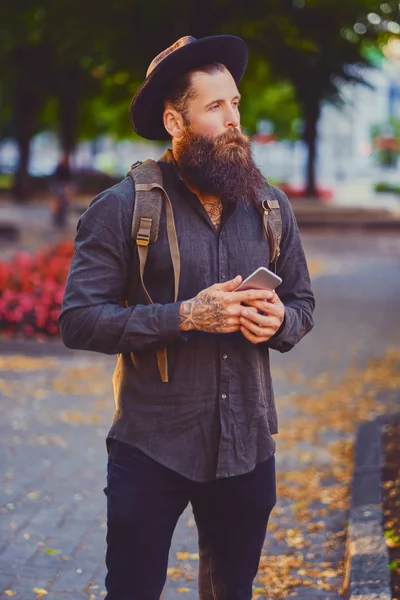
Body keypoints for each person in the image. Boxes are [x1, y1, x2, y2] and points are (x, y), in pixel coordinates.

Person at [59, 35, 315, 600]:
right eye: (215, 107)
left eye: (237, 104)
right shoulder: (122, 208)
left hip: (249, 445)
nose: (234, 121)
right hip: (152, 445)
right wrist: (188, 316)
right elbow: (78, 320)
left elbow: (302, 305)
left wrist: (280, 323)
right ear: (175, 121)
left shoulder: (270, 206)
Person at [51, 153, 72, 229]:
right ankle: (57, 219)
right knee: (59, 204)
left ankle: (61, 220)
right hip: (60, 187)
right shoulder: (60, 168)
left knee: (64, 204)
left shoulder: (66, 168)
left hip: (63, 187)